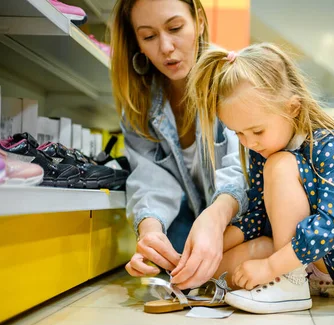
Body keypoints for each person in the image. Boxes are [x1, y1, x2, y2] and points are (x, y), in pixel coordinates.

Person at [184, 43, 334, 314]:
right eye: (238, 134)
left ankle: (289, 284)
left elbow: (333, 224)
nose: (249, 142)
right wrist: (208, 248)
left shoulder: (327, 142)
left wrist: (270, 268)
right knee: (209, 272)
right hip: (302, 256)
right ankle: (291, 276)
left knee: (279, 164)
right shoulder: (260, 149)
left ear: (292, 108)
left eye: (256, 131)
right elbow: (256, 215)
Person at [110, 0, 274, 290]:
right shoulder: (140, 106)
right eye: (148, 36)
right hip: (201, 226)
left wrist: (215, 218)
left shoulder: (229, 82)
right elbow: (149, 179)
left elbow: (242, 168)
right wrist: (150, 235)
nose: (166, 48)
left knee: (200, 270)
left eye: (175, 28)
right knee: (175, 257)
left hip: (249, 220)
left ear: (199, 20)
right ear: (136, 42)